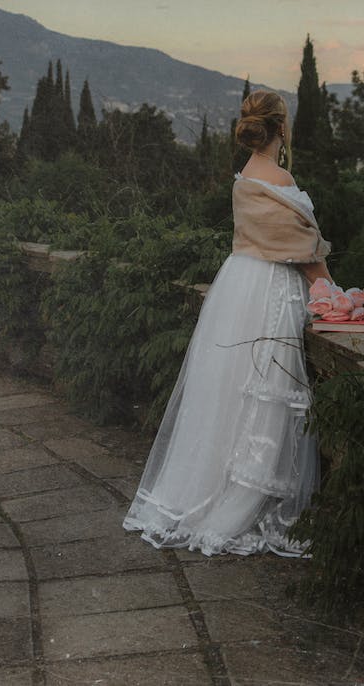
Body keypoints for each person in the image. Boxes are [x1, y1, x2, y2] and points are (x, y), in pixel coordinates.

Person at [123, 89, 332, 556]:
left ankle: (206, 489)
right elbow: (306, 254)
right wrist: (338, 300)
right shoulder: (280, 179)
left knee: (227, 390)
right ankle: (240, 497)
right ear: (282, 127)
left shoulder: (245, 178)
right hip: (271, 291)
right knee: (263, 393)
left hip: (237, 284)